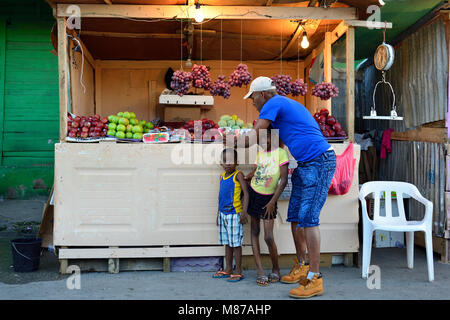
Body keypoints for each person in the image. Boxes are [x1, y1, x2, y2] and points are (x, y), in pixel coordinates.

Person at [230, 76, 336, 298]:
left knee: (308, 218)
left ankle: (315, 278)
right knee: (296, 216)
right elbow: (272, 142)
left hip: (319, 161)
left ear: (263, 94)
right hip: (305, 164)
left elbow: (253, 137)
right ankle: (302, 266)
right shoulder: (278, 112)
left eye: (253, 98)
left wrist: (230, 141)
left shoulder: (274, 103)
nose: (252, 102)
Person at [244, 126, 289, 286]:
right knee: (254, 232)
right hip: (254, 194)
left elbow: (283, 180)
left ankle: (276, 269)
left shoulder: (281, 153)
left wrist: (272, 202)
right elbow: (257, 171)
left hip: (269, 199)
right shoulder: (260, 154)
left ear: (274, 137)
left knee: (268, 237)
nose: (263, 142)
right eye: (260, 139)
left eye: (266, 138)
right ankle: (260, 271)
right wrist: (248, 176)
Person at [212, 148, 249, 282]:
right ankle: (228, 269)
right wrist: (218, 214)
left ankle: (238, 271)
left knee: (236, 244)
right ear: (221, 163)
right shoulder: (222, 177)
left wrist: (244, 212)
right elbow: (220, 197)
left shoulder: (238, 175)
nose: (228, 163)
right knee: (227, 243)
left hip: (235, 215)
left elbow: (246, 194)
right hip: (223, 214)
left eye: (231, 161)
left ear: (236, 162)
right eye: (225, 161)